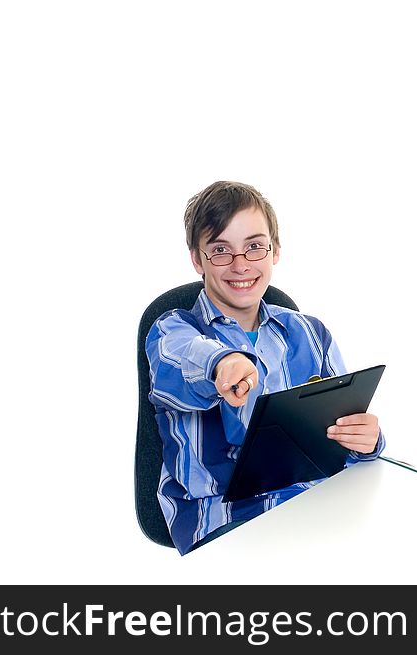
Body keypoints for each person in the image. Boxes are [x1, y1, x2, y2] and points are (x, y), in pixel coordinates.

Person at [145, 181, 384, 554]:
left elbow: (340, 444)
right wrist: (222, 362)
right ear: (197, 260)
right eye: (221, 251)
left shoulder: (310, 333)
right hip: (226, 521)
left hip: (313, 509)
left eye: (254, 247)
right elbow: (187, 357)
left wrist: (366, 440)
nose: (241, 265)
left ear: (275, 252)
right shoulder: (171, 331)